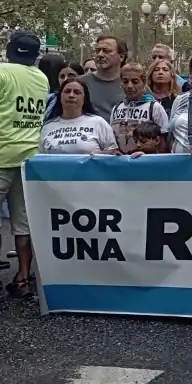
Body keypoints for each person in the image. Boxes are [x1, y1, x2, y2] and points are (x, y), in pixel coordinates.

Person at [0, 32, 48, 298]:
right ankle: (23, 277)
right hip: (29, 157)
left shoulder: (2, 72)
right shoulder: (41, 78)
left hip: (2, 154)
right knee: (23, 224)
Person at [40, 78, 118, 155]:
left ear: (84, 98)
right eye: (67, 91)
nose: (71, 95)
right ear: (60, 97)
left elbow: (113, 153)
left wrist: (99, 154)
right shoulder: (47, 127)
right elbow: (39, 158)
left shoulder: (98, 123)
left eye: (77, 92)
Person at [109, 63, 169, 155]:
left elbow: (163, 144)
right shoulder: (116, 108)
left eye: (135, 82)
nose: (129, 86)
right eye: (125, 81)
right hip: (121, 161)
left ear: (143, 83)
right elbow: (112, 141)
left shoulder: (154, 107)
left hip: (146, 161)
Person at [82, 35, 128, 120]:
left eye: (106, 51)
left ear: (121, 57)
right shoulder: (79, 84)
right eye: (97, 51)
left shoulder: (135, 84)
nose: (100, 55)